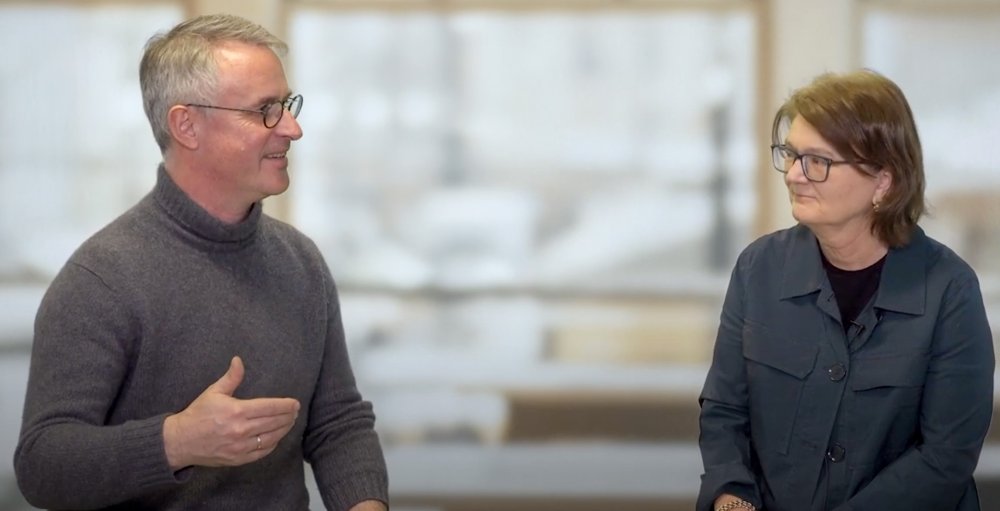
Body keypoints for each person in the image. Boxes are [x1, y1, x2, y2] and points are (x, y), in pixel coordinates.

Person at [14, 14, 389, 511]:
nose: (293, 128)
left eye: (287, 105)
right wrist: (177, 442)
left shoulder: (302, 262)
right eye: (265, 110)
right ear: (187, 125)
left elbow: (338, 423)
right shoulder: (101, 279)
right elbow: (42, 466)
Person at [697, 69, 994, 511]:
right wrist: (732, 497)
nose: (794, 175)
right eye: (791, 155)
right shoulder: (758, 269)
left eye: (818, 161)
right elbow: (725, 411)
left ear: (883, 181)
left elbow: (944, 458)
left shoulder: (950, 291)